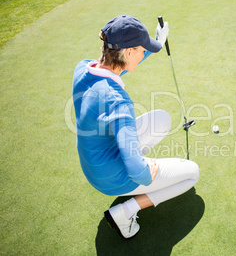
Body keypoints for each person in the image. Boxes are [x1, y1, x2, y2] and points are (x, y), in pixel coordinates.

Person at [72, 15, 200, 239]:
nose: (143, 54)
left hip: (95, 162)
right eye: (142, 50)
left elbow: (121, 63)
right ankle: (126, 212)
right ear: (129, 52)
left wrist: (156, 44)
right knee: (192, 174)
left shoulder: (83, 69)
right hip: (111, 177)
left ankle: (134, 177)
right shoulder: (117, 101)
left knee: (161, 120)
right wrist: (144, 169)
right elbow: (137, 171)